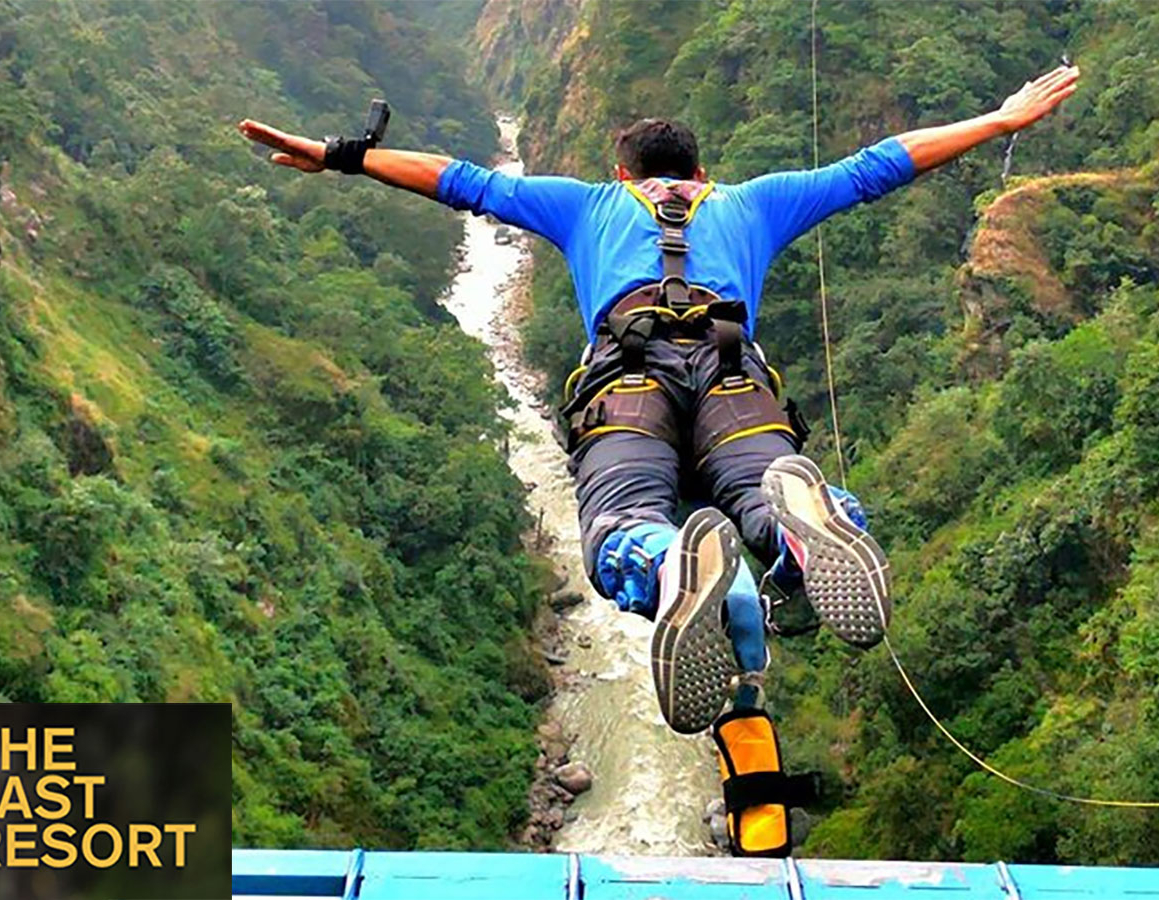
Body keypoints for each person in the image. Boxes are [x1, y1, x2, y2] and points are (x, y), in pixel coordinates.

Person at [238, 65, 1079, 737]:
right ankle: (800, 531)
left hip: (627, 380)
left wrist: (343, 154)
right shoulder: (754, 202)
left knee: (621, 520)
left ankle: (666, 557)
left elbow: (458, 181)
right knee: (760, 484)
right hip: (733, 372)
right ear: (701, 174)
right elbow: (880, 166)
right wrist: (1000, 121)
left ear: (624, 174)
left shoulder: (588, 204)